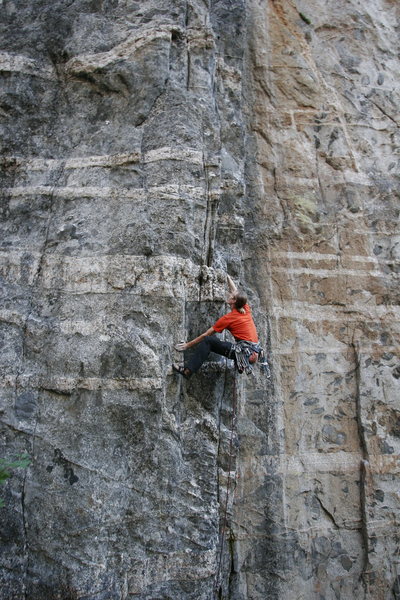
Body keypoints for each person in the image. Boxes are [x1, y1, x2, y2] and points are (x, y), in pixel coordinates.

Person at [173, 275, 261, 379]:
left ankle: (187, 371)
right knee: (215, 342)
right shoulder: (245, 308)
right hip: (254, 352)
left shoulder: (228, 318)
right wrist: (227, 277)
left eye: (232, 295)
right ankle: (239, 361)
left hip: (245, 354)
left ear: (233, 301)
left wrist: (187, 345)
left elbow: (206, 334)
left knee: (208, 341)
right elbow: (234, 289)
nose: (230, 293)